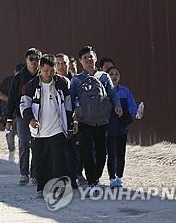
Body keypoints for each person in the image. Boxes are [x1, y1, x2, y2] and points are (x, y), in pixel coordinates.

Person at [70, 46, 121, 196]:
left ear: (96, 58)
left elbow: (112, 94)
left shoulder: (104, 77)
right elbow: (72, 101)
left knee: (101, 152)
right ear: (80, 61)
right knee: (87, 152)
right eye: (85, 57)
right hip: (85, 122)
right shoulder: (76, 79)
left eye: (91, 57)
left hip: (102, 121)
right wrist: (73, 120)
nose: (88, 59)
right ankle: (92, 180)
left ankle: (96, 177)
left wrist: (117, 106)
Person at [20, 54, 71, 198]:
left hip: (57, 128)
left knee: (58, 160)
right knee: (40, 161)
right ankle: (41, 188)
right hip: (39, 130)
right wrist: (30, 119)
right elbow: (24, 104)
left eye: (51, 70)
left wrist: (70, 123)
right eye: (46, 70)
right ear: (41, 68)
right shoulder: (32, 85)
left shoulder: (61, 83)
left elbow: (68, 104)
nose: (49, 73)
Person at [6, 48, 41, 185]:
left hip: (39, 115)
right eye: (31, 59)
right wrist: (9, 118)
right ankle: (24, 173)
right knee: (24, 142)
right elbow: (12, 99)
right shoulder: (19, 78)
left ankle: (35, 174)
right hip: (21, 116)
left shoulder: (43, 76)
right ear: (26, 61)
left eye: (36, 59)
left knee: (37, 144)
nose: (34, 62)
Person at [56, 52, 86, 185]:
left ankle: (74, 177)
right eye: (58, 63)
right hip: (55, 121)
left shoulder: (76, 80)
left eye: (64, 63)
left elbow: (78, 102)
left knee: (73, 150)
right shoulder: (50, 80)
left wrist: (75, 121)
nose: (61, 66)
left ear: (69, 64)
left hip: (72, 120)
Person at [106, 66, 137, 188]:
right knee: (111, 154)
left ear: (119, 77)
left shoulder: (125, 91)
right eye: (111, 74)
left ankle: (119, 177)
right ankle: (112, 178)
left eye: (116, 74)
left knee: (121, 154)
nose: (114, 76)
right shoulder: (104, 90)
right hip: (108, 128)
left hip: (121, 128)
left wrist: (132, 114)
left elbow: (132, 106)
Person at [0, 63, 25, 162]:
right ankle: (11, 151)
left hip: (21, 114)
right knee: (10, 135)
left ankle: (22, 157)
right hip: (9, 113)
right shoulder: (8, 81)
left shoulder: (26, 81)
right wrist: (10, 100)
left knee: (23, 137)